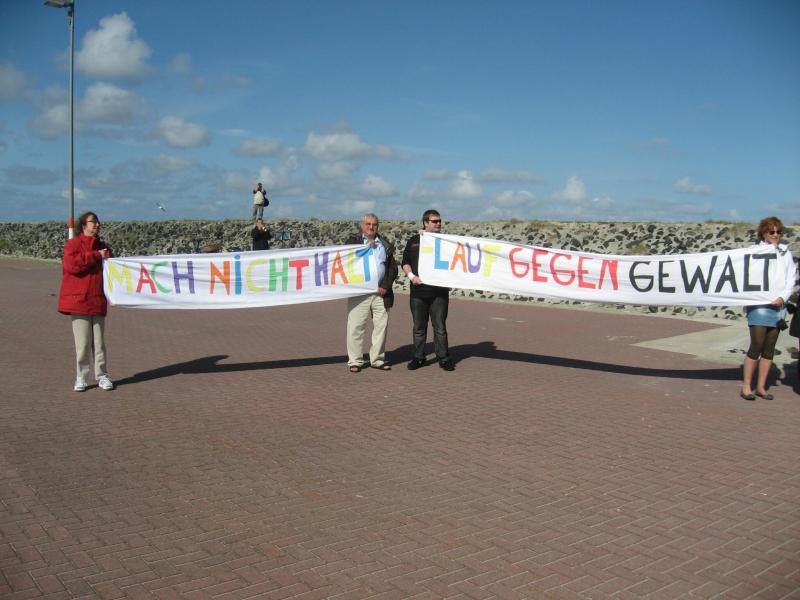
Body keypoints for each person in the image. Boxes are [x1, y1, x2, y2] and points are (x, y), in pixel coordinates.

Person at [58, 211, 114, 392]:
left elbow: (113, 271)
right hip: (79, 300)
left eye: (98, 221)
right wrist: (96, 255)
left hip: (97, 299)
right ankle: (81, 377)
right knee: (82, 343)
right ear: (84, 225)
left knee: (99, 343)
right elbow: (72, 265)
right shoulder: (73, 244)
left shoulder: (103, 246)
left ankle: (102, 375)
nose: (97, 224)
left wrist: (115, 294)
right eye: (93, 221)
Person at [740, 216, 794, 400]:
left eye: (779, 232)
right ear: (763, 233)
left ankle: (761, 387)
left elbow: (790, 278)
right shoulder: (753, 251)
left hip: (778, 307)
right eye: (772, 232)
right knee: (756, 344)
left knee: (769, 348)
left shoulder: (785, 252)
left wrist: (783, 297)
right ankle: (746, 386)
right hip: (759, 305)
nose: (776, 235)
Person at [402, 209, 455, 371]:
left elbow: (457, 263)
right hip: (418, 292)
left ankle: (443, 358)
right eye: (434, 221)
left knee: (440, 328)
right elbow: (405, 262)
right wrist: (412, 276)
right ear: (425, 223)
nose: (438, 223)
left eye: (439, 221)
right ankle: (418, 357)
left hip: (439, 293)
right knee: (419, 328)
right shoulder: (414, 241)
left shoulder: (447, 241)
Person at [345, 213, 398, 372]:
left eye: (374, 224)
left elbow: (392, 268)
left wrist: (385, 286)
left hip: (380, 293)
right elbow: (344, 263)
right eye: (368, 224)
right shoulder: (352, 242)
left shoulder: (384, 244)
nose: (371, 227)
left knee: (381, 327)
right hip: (359, 292)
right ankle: (355, 361)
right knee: (356, 327)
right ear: (362, 225)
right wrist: (363, 247)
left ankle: (377, 359)